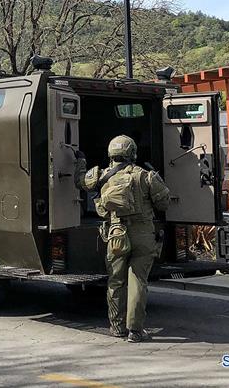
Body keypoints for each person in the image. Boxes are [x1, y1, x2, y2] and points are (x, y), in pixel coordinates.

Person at [75, 135, 171, 342]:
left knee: (116, 281)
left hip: (117, 234)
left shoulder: (101, 175)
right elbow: (164, 203)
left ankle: (117, 327)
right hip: (144, 235)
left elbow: (80, 182)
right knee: (138, 281)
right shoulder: (146, 176)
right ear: (132, 153)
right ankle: (135, 331)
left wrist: (81, 161)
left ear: (111, 154)